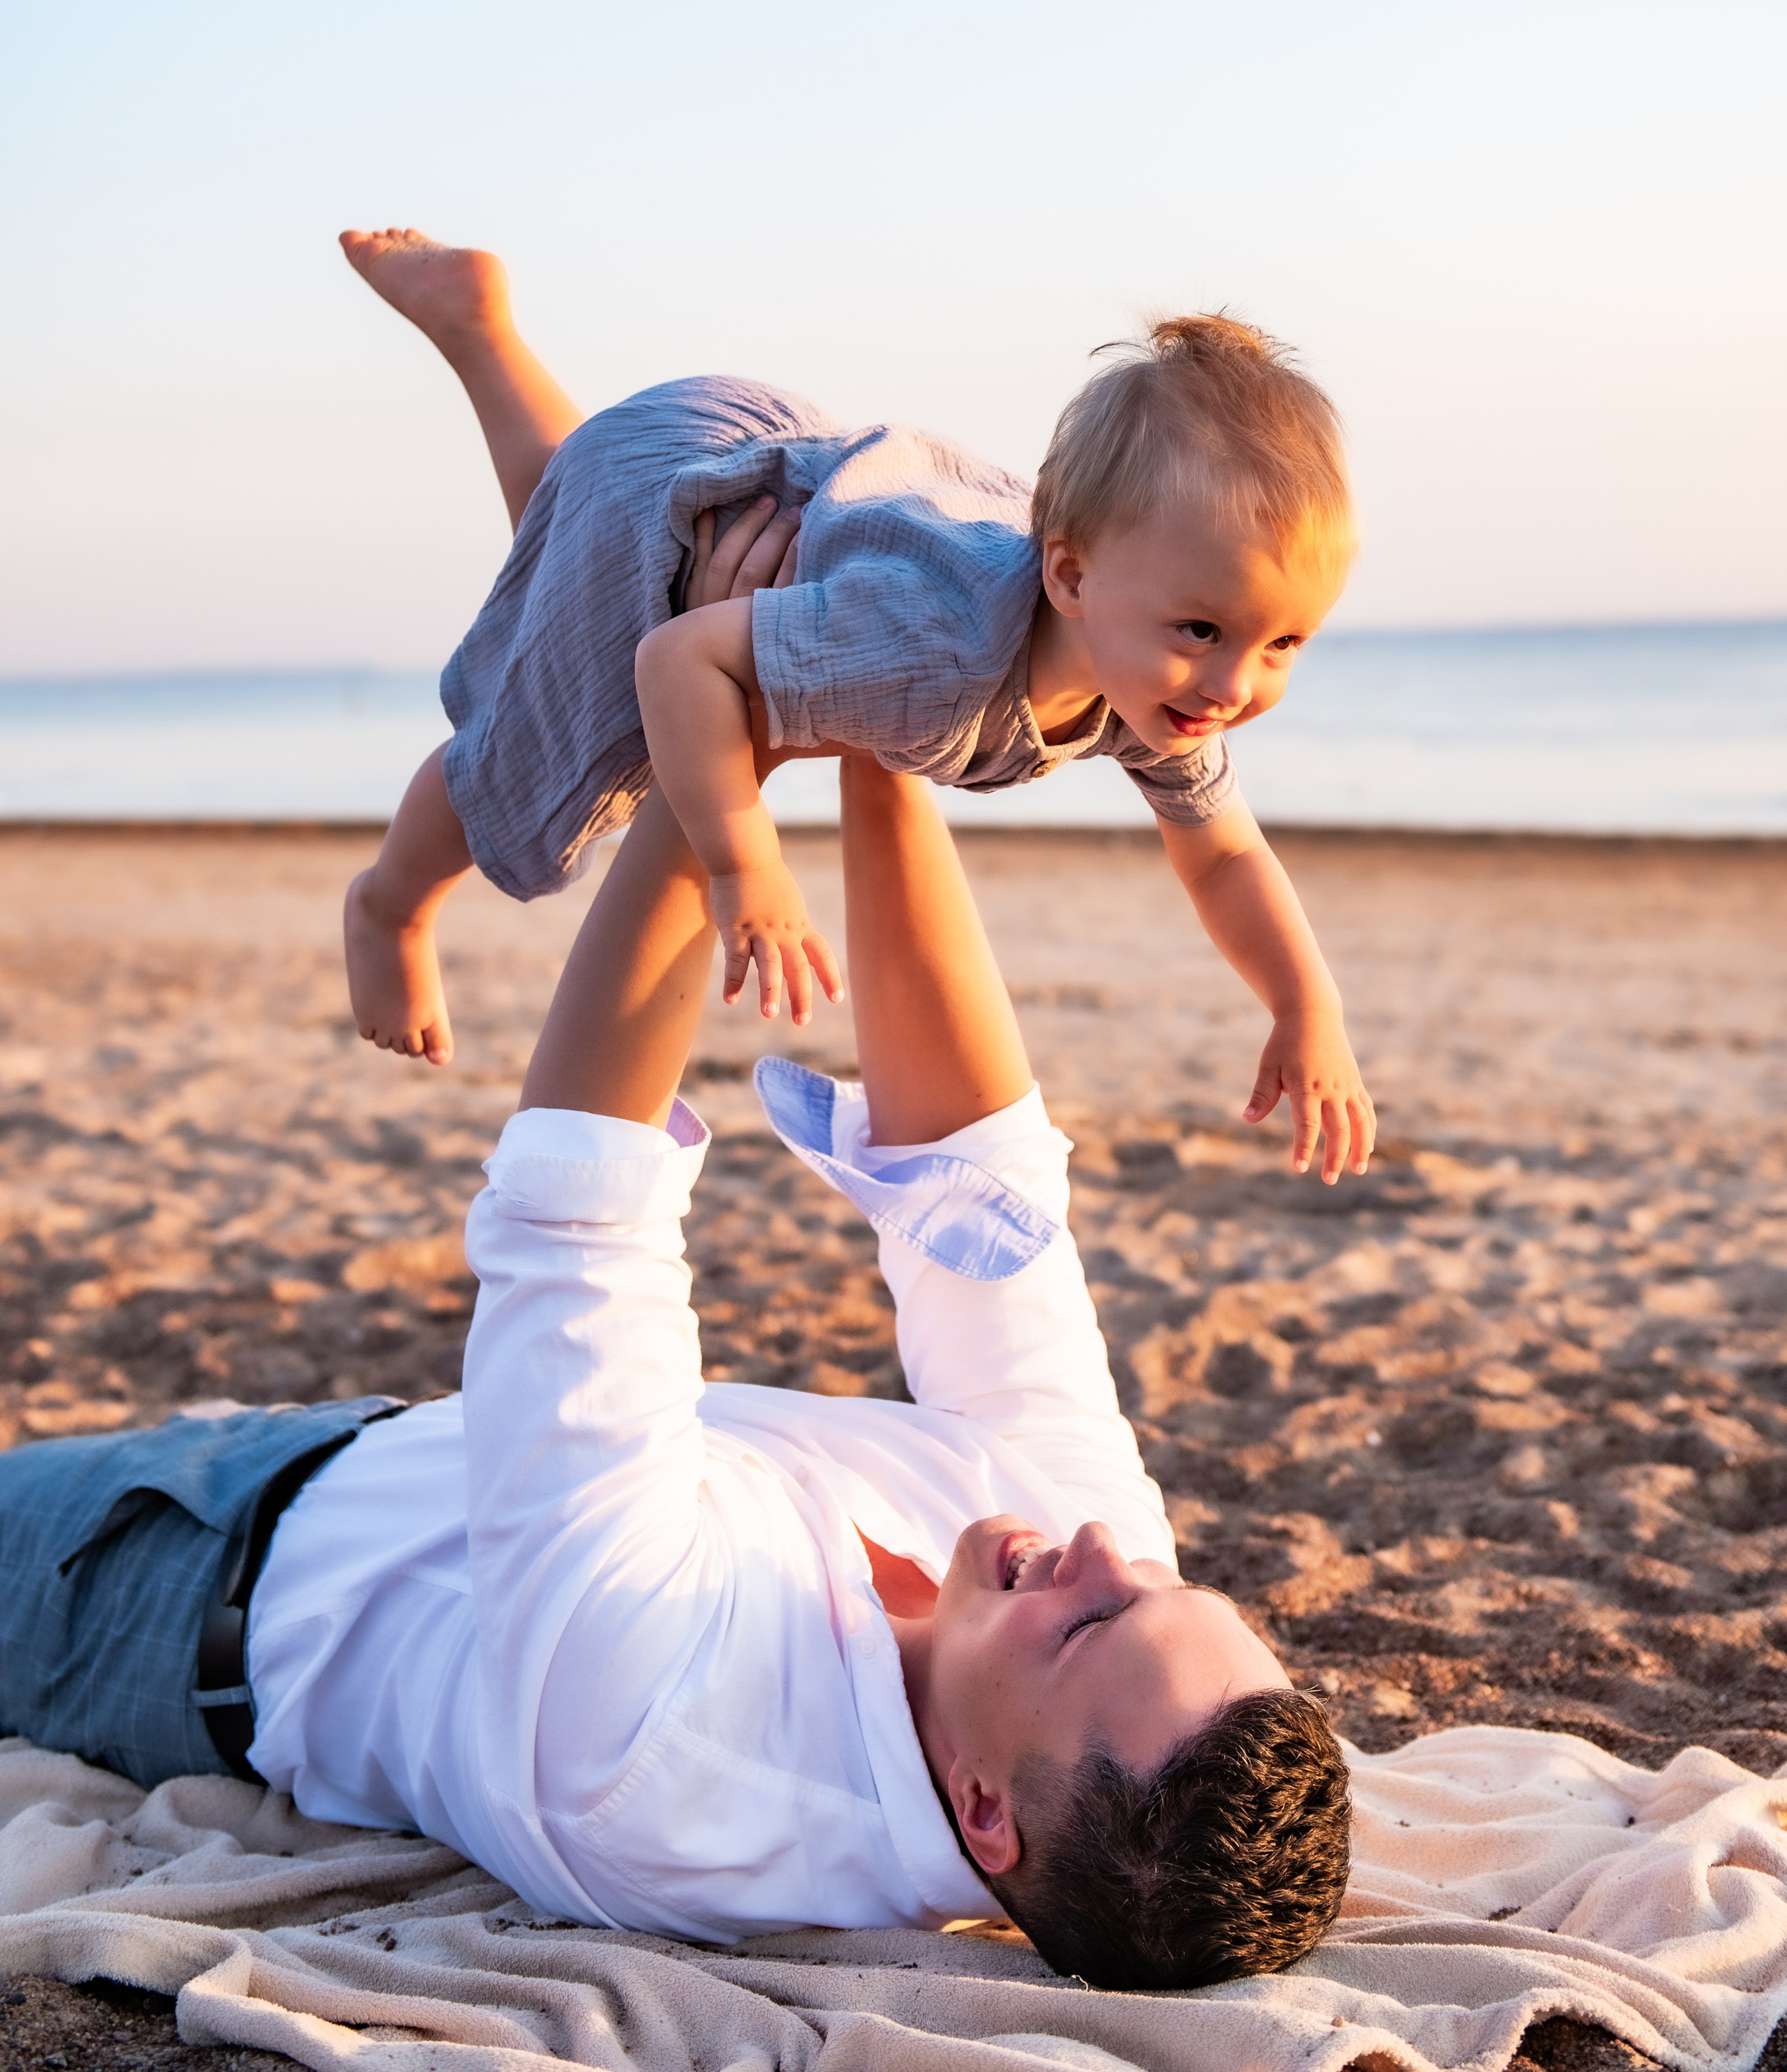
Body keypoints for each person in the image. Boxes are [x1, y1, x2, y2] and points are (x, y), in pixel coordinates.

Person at [0, 534, 1351, 1992]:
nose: (1101, 1552)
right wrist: (884, 696)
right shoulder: (1091, 1590)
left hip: (163, 1580)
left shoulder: (666, 1753)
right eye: (1159, 1584)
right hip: (378, 1459)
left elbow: (581, 1201)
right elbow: (974, 1191)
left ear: (981, 1810)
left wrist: (730, 710)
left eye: (1089, 1623)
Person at [337, 228, 1374, 1187]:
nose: (1236, 687)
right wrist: (745, 864)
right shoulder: (935, 641)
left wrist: (1307, 1006)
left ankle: (477, 327)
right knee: (542, 746)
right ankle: (390, 906)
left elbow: (1226, 856)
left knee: (568, 521)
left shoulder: (1150, 673)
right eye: (1202, 631)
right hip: (718, 500)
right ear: (1068, 576)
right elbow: (678, 657)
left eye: (1283, 644)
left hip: (750, 461)